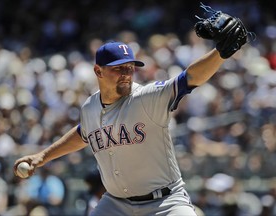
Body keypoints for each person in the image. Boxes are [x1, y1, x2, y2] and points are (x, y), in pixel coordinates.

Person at [14, 12, 251, 215]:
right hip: (116, 204)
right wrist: (42, 157)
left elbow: (189, 78)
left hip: (165, 202)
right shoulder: (89, 108)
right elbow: (83, 133)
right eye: (119, 69)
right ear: (98, 71)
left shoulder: (147, 98)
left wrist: (220, 53)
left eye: (130, 68)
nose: (127, 73)